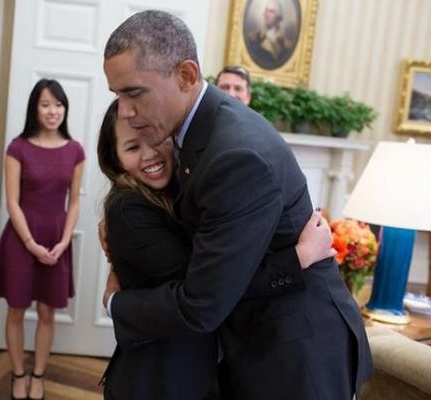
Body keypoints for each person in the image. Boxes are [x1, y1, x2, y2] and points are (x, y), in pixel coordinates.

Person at [102, 10, 372, 399]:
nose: (124, 112)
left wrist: (117, 303)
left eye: (134, 93)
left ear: (186, 76)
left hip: (295, 354)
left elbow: (202, 302)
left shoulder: (235, 154)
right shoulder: (198, 132)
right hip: (258, 341)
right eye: (118, 96)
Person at [97, 99, 335, 399]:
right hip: (160, 377)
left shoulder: (186, 186)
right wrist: (299, 258)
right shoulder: (128, 209)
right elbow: (209, 288)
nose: (150, 155)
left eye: (155, 140)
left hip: (195, 370)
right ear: (115, 159)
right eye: (132, 148)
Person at [0, 79, 85, 400]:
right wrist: (29, 243)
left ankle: (38, 374)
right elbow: (12, 200)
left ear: (65, 108)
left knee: (47, 312)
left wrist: (65, 240)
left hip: (57, 238)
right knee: (15, 310)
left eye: (58, 104)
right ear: (34, 108)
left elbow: (75, 202)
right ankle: (18, 373)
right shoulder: (18, 147)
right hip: (21, 238)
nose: (52, 111)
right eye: (45, 104)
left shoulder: (75, 150)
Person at [246, 0, 295, 70]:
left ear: (279, 17)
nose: (267, 15)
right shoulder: (253, 39)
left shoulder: (286, 46)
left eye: (271, 12)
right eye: (266, 10)